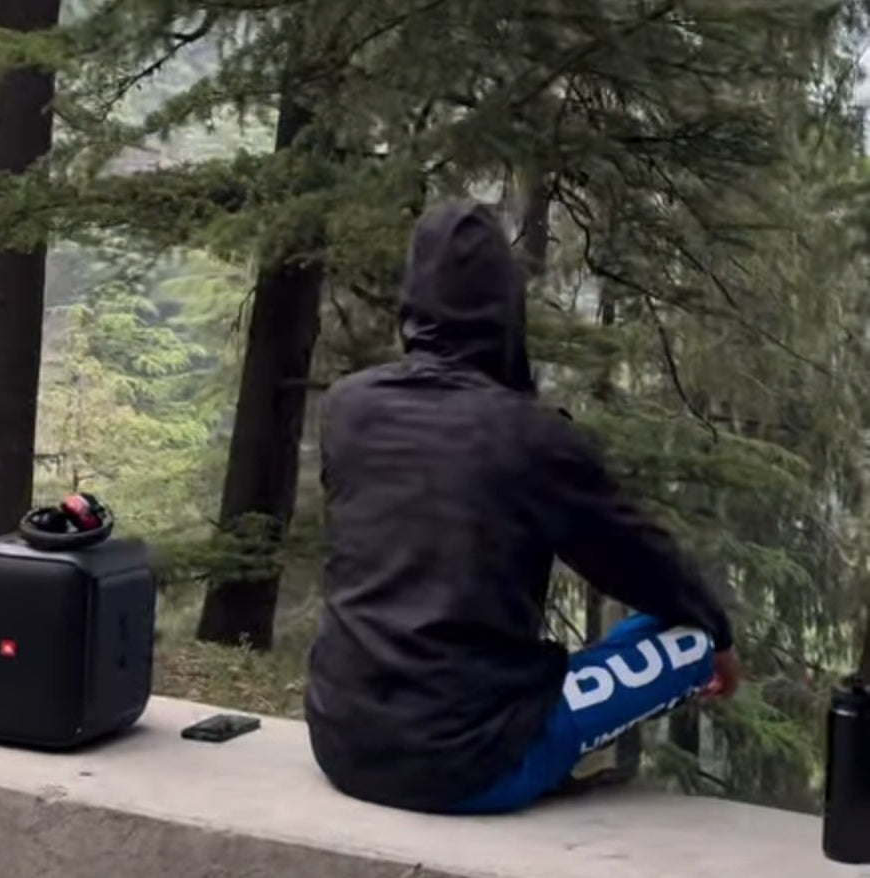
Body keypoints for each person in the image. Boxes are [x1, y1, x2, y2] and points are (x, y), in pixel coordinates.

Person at [304, 198, 738, 815]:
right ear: (506, 309)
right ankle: (571, 726)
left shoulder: (348, 408)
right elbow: (641, 561)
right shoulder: (532, 437)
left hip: (343, 739)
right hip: (471, 766)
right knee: (688, 636)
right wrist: (719, 635)